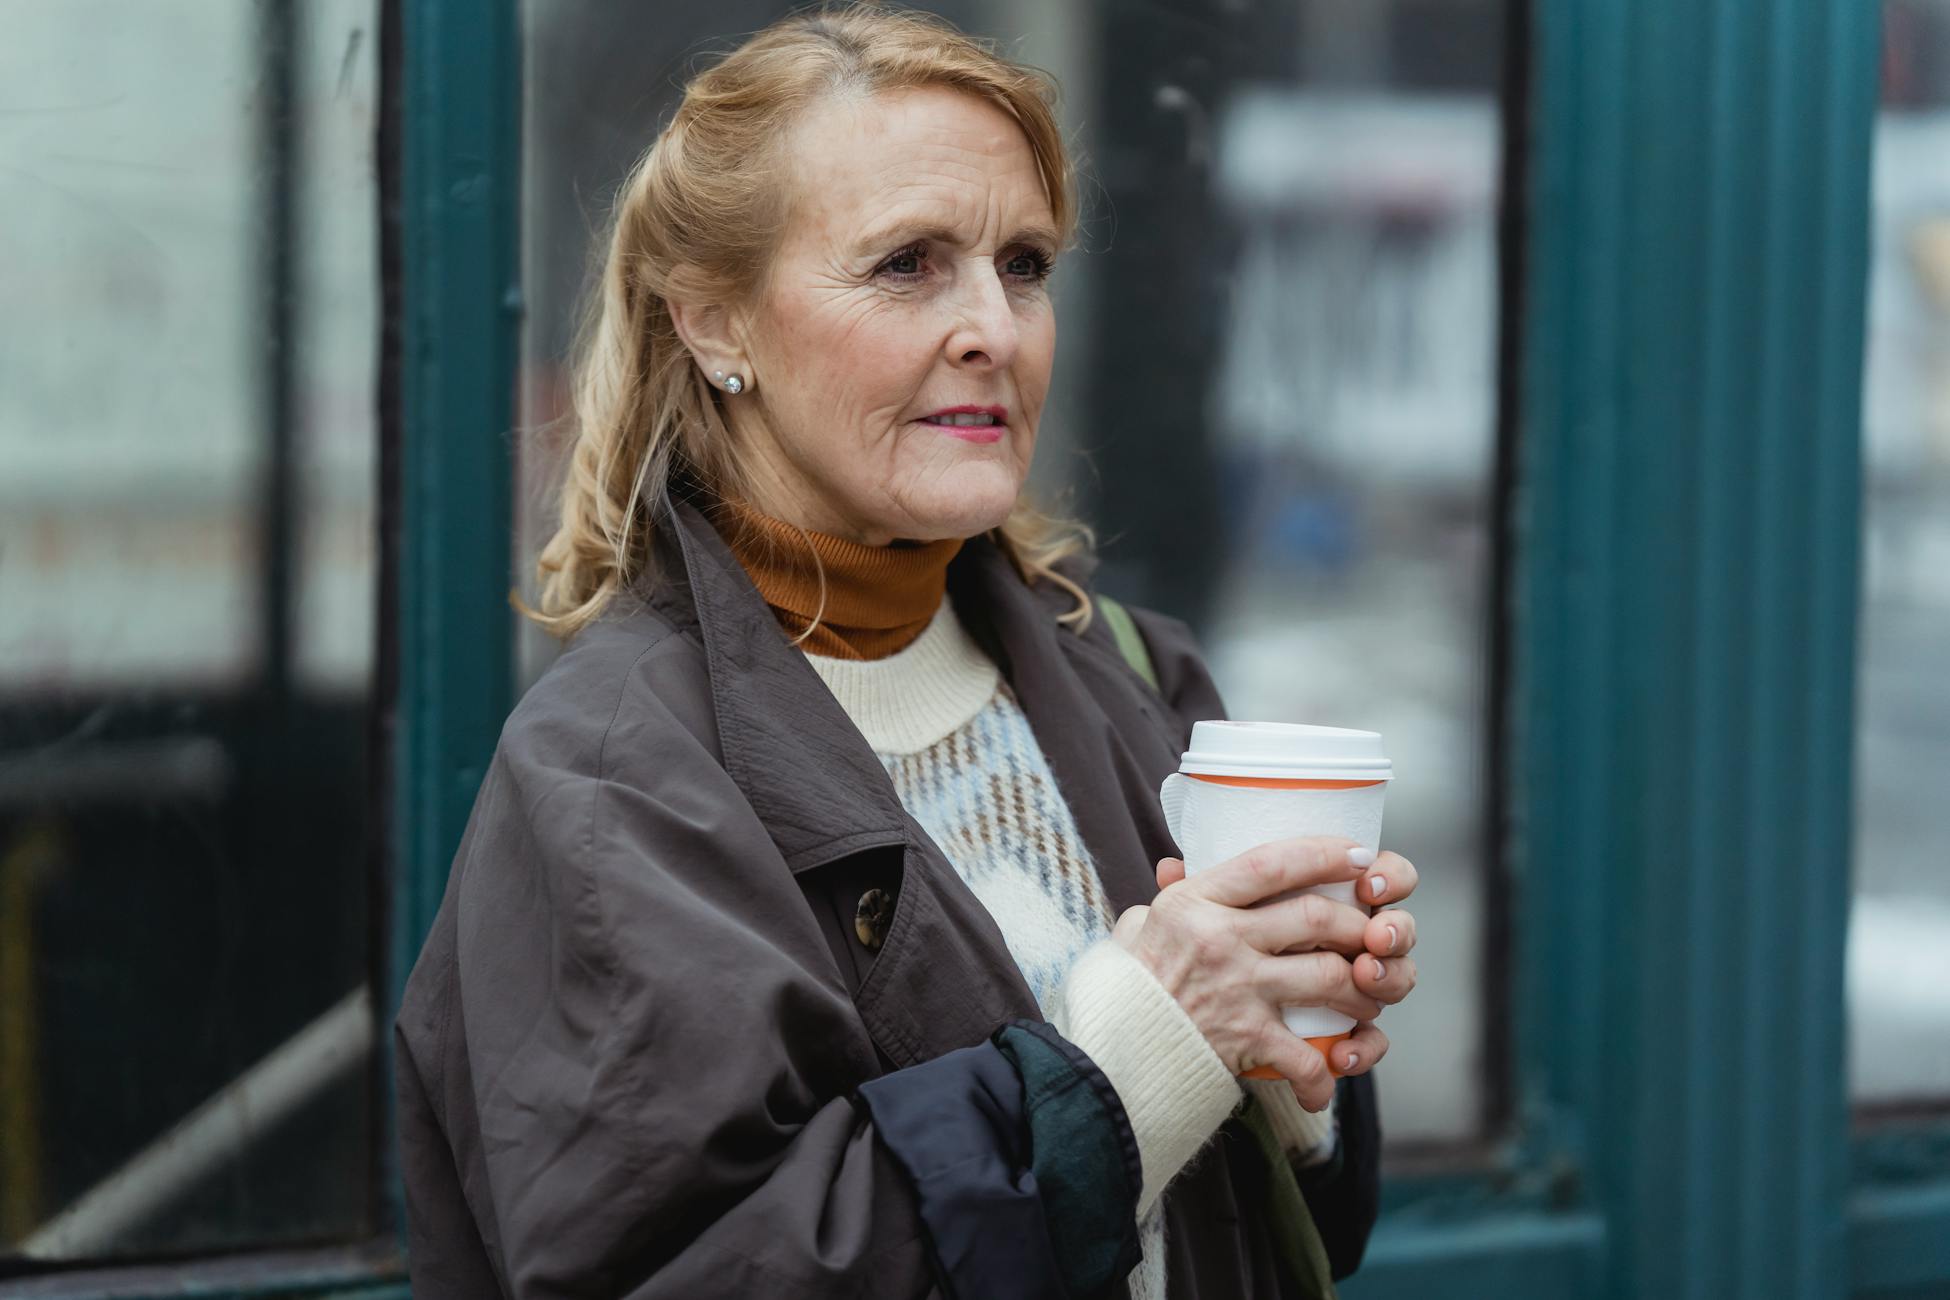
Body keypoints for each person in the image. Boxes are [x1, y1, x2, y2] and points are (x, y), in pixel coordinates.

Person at [394, 6, 1422, 1297]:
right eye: (906, 265)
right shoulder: (613, 785)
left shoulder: (1132, 676)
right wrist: (1143, 1049)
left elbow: (1286, 1238)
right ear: (714, 324)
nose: (993, 325)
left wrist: (1293, 1063)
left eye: (1025, 263)